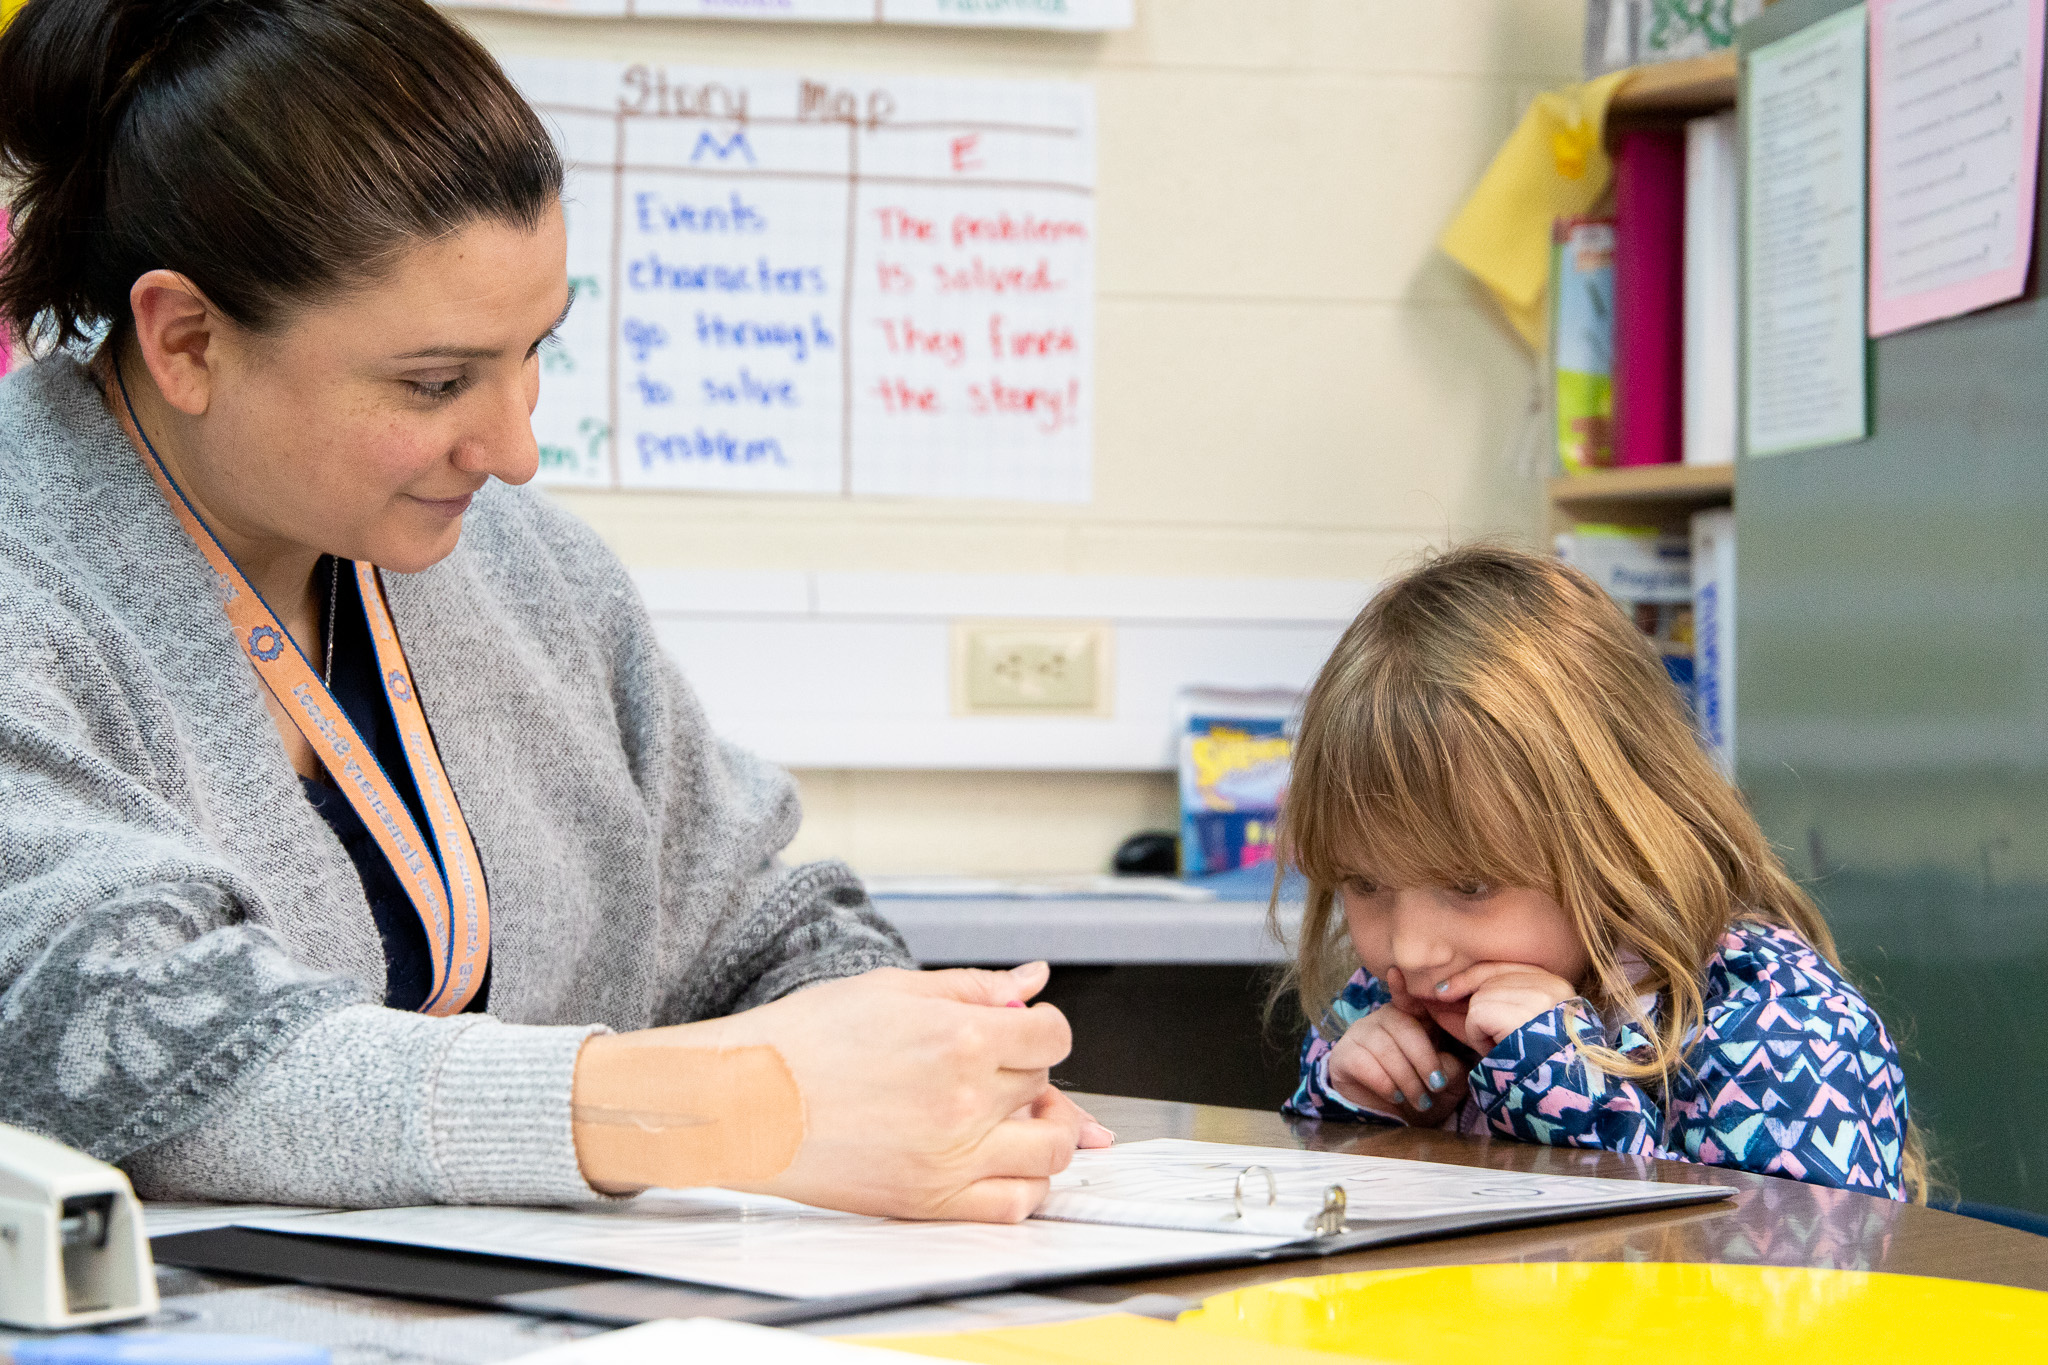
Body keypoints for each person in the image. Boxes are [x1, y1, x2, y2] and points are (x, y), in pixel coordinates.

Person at [0, 0, 1107, 1218]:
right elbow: (121, 1055)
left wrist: (942, 1066)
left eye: (536, 351)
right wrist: (729, 1110)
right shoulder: (28, 590)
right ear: (188, 339)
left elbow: (751, 925)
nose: (515, 447)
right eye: (435, 382)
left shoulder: (533, 575)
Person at [1279, 545, 1924, 1202]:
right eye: (1365, 884)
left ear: (1609, 836)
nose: (1409, 950)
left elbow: (1788, 1286)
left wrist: (1567, 1095)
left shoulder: (1780, 1031)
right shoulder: (1390, 1003)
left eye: (1471, 885)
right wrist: (1357, 1117)